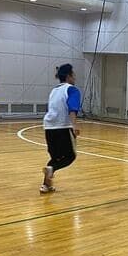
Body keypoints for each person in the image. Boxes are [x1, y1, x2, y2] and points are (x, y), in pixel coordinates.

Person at [40, 64, 81, 194]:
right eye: (73, 74)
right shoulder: (72, 90)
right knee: (70, 156)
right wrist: (74, 125)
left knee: (55, 158)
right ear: (69, 76)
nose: (75, 77)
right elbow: (72, 108)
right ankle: (51, 170)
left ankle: (46, 185)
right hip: (63, 127)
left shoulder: (54, 90)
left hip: (49, 127)